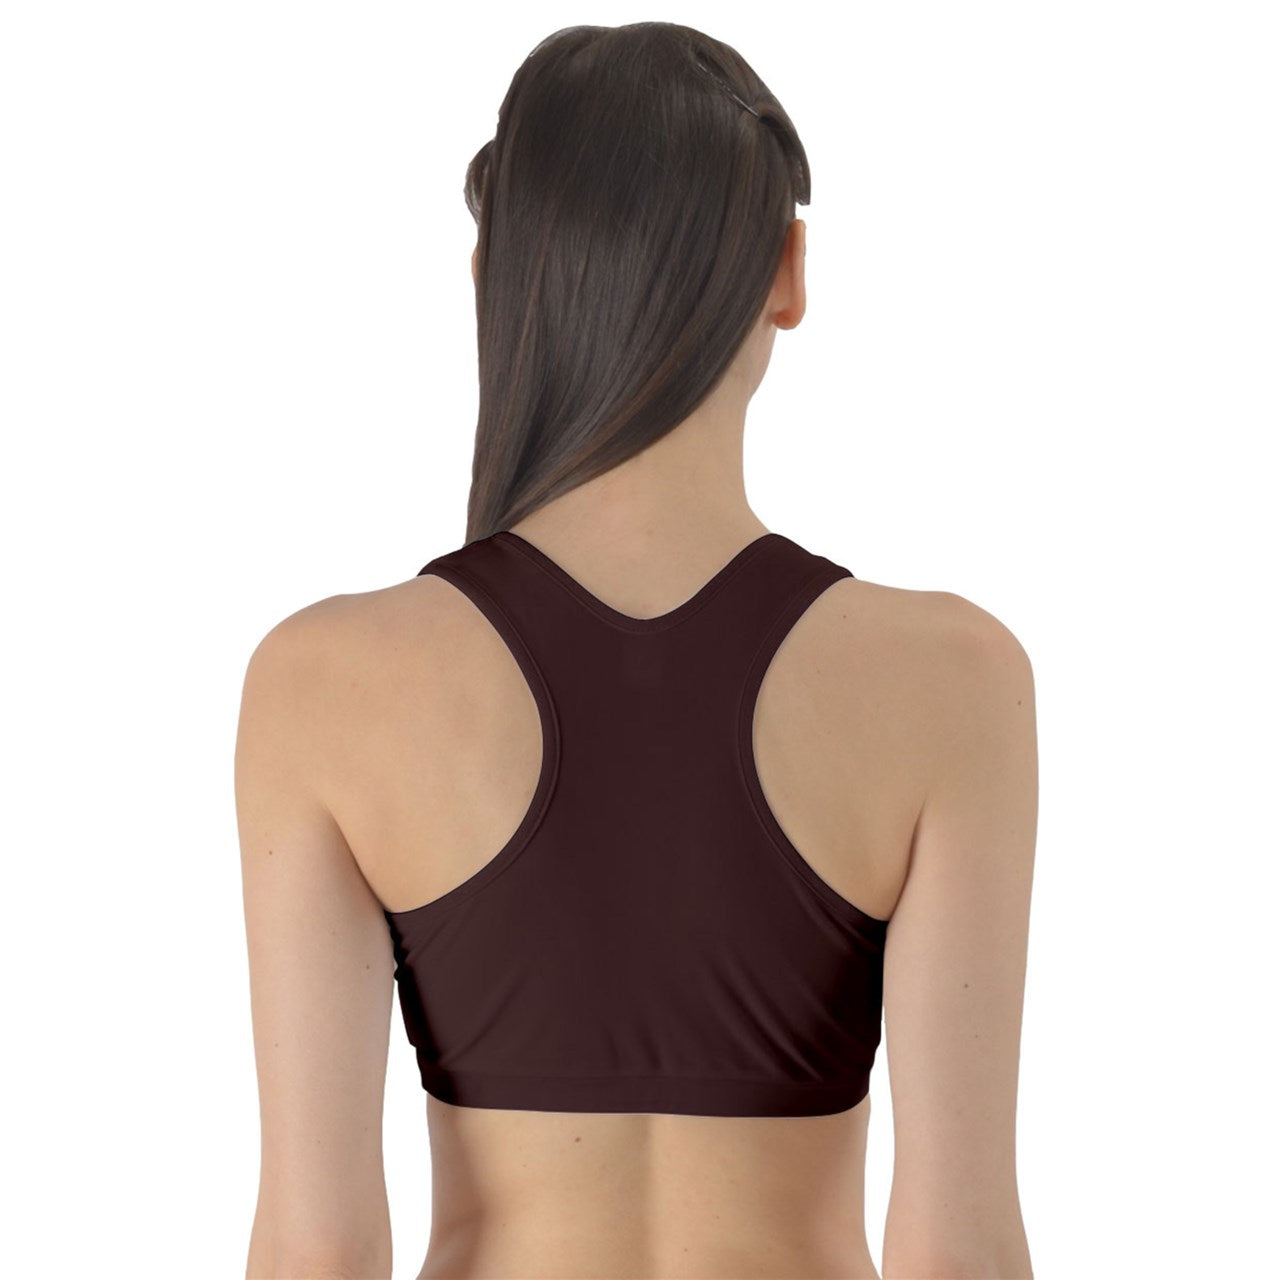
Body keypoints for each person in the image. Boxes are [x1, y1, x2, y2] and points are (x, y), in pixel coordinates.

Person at [236, 21, 1037, 1280]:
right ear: (787, 272)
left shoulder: (325, 682)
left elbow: (317, 1248)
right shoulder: (949, 678)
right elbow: (957, 1249)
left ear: (492, 279)